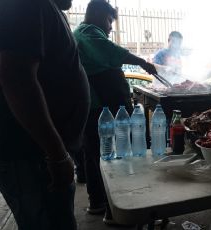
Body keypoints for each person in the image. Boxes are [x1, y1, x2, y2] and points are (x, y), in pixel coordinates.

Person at [0, 0, 90, 229]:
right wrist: (56, 154)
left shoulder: (45, 8)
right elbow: (16, 77)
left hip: (40, 154)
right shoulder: (27, 4)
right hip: (31, 154)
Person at [73, 0, 156, 225]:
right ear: (99, 15)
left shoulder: (84, 34)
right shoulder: (87, 32)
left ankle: (98, 202)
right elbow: (110, 52)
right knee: (111, 158)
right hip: (102, 109)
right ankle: (114, 211)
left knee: (96, 157)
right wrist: (142, 62)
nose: (110, 27)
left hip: (99, 107)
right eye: (110, 20)